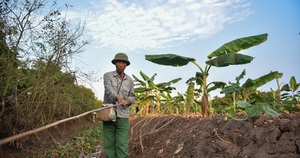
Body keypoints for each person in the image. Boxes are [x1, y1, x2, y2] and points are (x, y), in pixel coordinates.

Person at [103, 52, 135, 158]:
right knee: (109, 144)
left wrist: (128, 101)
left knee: (122, 144)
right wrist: (117, 97)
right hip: (109, 114)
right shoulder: (107, 76)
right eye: (118, 62)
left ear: (126, 65)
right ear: (115, 64)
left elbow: (132, 96)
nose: (120, 64)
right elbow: (108, 89)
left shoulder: (130, 81)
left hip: (123, 115)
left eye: (123, 62)